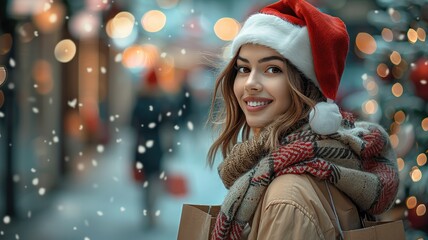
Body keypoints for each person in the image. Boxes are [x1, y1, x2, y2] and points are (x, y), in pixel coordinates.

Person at [206, 0, 399, 239]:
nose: (250, 84)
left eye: (272, 69)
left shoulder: (286, 199)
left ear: (305, 86)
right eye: (243, 69)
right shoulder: (318, 161)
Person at [130, 68, 166, 228]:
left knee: (144, 179)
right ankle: (152, 212)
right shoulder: (159, 102)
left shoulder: (139, 100)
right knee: (153, 179)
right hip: (155, 144)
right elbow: (166, 121)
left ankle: (146, 211)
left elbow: (131, 123)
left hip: (141, 144)